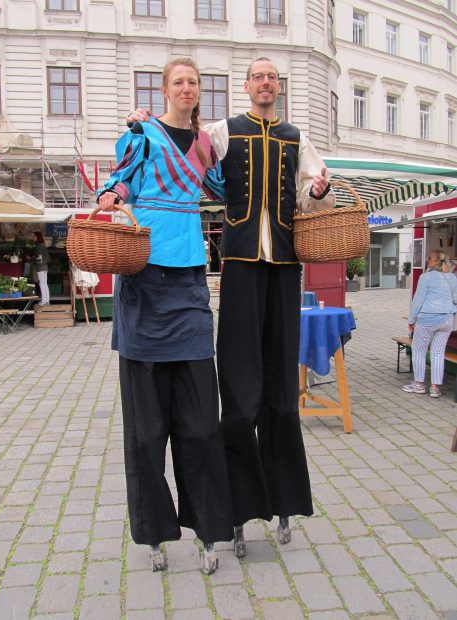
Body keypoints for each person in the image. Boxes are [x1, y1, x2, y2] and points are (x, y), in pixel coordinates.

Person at [127, 56, 335, 556]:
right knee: (240, 392)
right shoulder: (222, 132)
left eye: (272, 77)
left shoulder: (296, 138)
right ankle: (239, 508)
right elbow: (183, 142)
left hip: (283, 266)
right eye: (258, 77)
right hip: (240, 267)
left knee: (281, 391)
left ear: (278, 87)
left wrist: (320, 190)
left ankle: (285, 501)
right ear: (246, 86)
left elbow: (312, 196)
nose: (265, 83)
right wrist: (143, 124)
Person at [98, 57, 233, 575]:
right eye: (178, 81)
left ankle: (209, 530)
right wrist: (110, 195)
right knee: (146, 430)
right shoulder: (143, 134)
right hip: (142, 277)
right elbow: (121, 182)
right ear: (165, 89)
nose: (186, 88)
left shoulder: (204, 145)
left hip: (189, 282)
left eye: (193, 82)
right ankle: (154, 534)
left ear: (199, 91)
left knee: (201, 425)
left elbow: (226, 191)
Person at [402, 250, 457, 398]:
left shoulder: (425, 278)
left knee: (418, 350)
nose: (427, 260)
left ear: (437, 261)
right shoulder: (452, 277)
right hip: (447, 319)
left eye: (430, 258)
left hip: (427, 319)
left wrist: (411, 320)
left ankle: (419, 384)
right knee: (438, 352)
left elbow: (417, 301)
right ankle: (434, 388)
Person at [33, 231, 50, 306]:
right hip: (45, 266)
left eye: (34, 236)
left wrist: (32, 258)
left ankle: (43, 300)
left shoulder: (38, 246)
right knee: (45, 284)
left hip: (40, 267)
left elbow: (39, 258)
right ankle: (47, 300)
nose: (33, 238)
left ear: (37, 237)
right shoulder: (42, 245)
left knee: (42, 284)